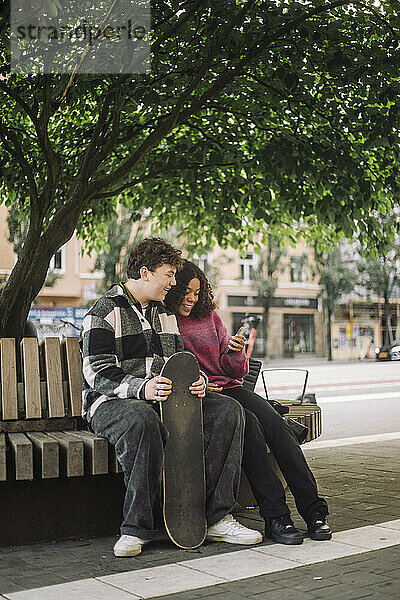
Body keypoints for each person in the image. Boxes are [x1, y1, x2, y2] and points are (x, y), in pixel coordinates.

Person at [81, 238, 261, 557]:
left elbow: (180, 358)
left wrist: (198, 381)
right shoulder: (105, 309)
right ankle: (136, 528)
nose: (174, 283)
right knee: (142, 419)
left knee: (229, 411)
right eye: (169, 274)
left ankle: (218, 517)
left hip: (166, 398)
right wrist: (141, 388)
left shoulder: (164, 313)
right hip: (112, 403)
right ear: (146, 273)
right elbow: (97, 371)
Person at [165, 260, 332, 545]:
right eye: (186, 292)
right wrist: (203, 380)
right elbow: (173, 365)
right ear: (173, 290)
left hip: (232, 387)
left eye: (196, 292)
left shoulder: (210, 317)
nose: (192, 299)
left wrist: (236, 353)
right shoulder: (164, 319)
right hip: (204, 397)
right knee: (252, 430)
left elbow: (235, 370)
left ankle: (314, 510)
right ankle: (276, 517)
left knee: (279, 429)